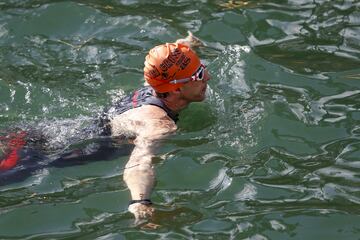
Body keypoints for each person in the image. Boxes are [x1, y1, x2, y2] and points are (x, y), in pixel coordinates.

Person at [0, 32, 211, 221]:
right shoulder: (157, 124)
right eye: (199, 75)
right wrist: (140, 202)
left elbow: (163, 62)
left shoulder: (155, 84)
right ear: (174, 90)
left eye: (202, 68)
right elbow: (139, 164)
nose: (207, 76)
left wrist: (184, 44)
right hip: (28, 157)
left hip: (31, 134)